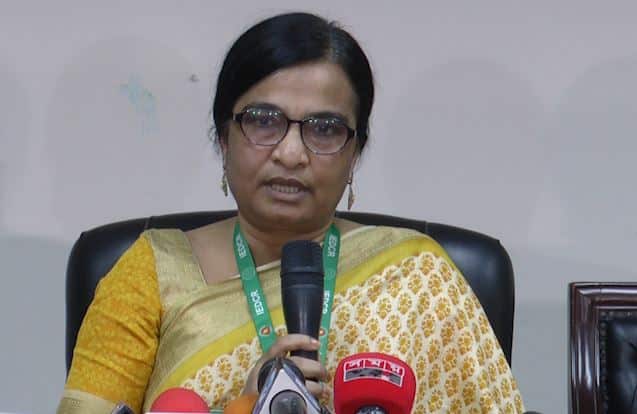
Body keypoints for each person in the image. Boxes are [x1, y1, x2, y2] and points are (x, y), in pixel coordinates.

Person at [57, 12, 525, 414]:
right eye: (264, 121)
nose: (291, 153)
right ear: (224, 138)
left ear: (355, 154)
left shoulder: (421, 275)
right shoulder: (152, 272)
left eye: (324, 129)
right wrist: (243, 405)